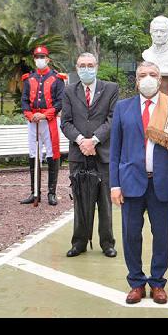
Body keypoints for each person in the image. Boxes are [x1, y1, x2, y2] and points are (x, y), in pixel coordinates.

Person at [110, 62, 168, 305]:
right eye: (142, 75)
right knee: (130, 236)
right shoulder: (122, 108)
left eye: (152, 75)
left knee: (161, 236)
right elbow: (115, 150)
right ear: (136, 81)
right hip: (130, 183)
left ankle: (158, 282)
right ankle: (136, 283)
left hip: (163, 184)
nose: (147, 78)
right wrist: (114, 185)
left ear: (160, 81)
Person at [60, 53, 119, 257]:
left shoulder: (111, 89)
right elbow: (65, 122)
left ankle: (107, 243)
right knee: (80, 200)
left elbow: (112, 119)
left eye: (90, 65)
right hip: (79, 154)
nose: (86, 69)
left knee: (104, 200)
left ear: (97, 66)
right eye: (82, 65)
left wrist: (94, 140)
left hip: (102, 153)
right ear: (77, 68)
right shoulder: (69, 91)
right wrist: (81, 141)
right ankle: (79, 242)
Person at [20, 45, 66, 206]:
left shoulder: (57, 79)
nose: (40, 60)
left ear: (48, 59)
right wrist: (30, 115)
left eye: (42, 57)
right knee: (33, 154)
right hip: (33, 121)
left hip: (50, 120)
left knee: (53, 154)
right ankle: (35, 192)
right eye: (37, 57)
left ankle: (51, 193)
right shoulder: (29, 79)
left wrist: (45, 115)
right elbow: (24, 100)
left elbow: (60, 101)